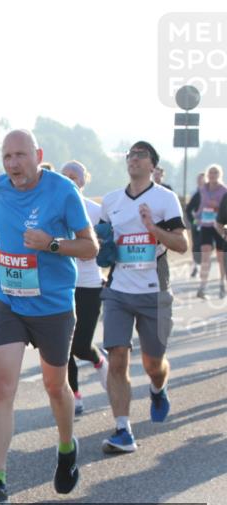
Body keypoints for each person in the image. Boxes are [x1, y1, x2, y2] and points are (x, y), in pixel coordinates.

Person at [0, 130, 98, 505]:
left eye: (20, 156)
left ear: (37, 154)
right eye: (7, 156)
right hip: (9, 300)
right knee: (1, 387)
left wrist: (52, 244)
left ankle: (66, 447)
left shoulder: (63, 191)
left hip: (54, 306)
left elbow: (91, 246)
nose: (13, 164)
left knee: (54, 386)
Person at [99, 141, 188, 453]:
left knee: (153, 362)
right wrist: (102, 246)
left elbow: (181, 244)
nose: (134, 159)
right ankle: (123, 429)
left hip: (155, 291)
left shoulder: (165, 199)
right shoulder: (111, 201)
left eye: (141, 155)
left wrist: (152, 228)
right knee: (117, 357)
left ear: (153, 165)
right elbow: (102, 242)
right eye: (130, 155)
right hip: (118, 291)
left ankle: (157, 388)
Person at [59, 161, 109, 415]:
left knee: (80, 345)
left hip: (89, 284)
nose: (69, 180)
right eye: (64, 176)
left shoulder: (96, 211)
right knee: (62, 346)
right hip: (61, 285)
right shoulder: (52, 209)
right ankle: (75, 395)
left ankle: (99, 361)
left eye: (74, 176)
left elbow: (112, 243)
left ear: (83, 181)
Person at [195, 164, 227, 299]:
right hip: (206, 225)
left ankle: (222, 284)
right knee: (205, 255)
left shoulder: (224, 190)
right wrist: (197, 217)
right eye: (211, 172)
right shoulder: (203, 189)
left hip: (219, 226)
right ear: (208, 174)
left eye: (215, 172)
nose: (213, 175)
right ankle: (202, 287)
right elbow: (201, 205)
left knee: (221, 258)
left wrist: (217, 206)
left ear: (219, 174)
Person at [185, 172, 206, 277]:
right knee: (196, 246)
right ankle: (196, 267)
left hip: (210, 224)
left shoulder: (213, 193)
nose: (201, 181)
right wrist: (193, 221)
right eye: (199, 179)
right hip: (197, 224)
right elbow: (188, 210)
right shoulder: (195, 194)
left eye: (203, 179)